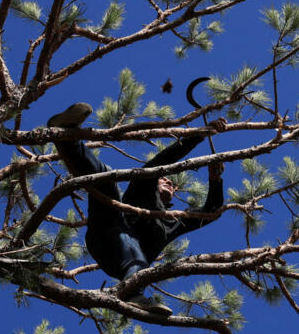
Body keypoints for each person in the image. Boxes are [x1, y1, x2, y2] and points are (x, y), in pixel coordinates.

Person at [46, 102, 224, 316]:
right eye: (164, 178)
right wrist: (199, 135)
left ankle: (133, 293)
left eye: (172, 183)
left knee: (133, 248)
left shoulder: (174, 222)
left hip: (121, 260)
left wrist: (215, 181)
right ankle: (65, 135)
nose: (168, 182)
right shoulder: (144, 188)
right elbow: (158, 164)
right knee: (106, 179)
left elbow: (210, 212)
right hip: (108, 229)